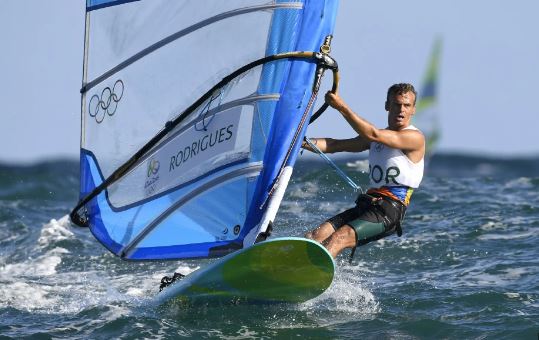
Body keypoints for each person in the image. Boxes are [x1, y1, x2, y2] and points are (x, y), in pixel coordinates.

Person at [302, 83, 425, 259]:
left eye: (407, 105)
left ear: (413, 109)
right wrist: (299, 141)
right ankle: (291, 270)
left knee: (338, 239)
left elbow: (374, 134)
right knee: (314, 237)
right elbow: (335, 145)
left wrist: (341, 107)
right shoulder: (375, 138)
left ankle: (312, 280)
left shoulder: (415, 138)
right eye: (397, 104)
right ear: (387, 106)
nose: (401, 110)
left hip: (390, 211)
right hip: (368, 204)